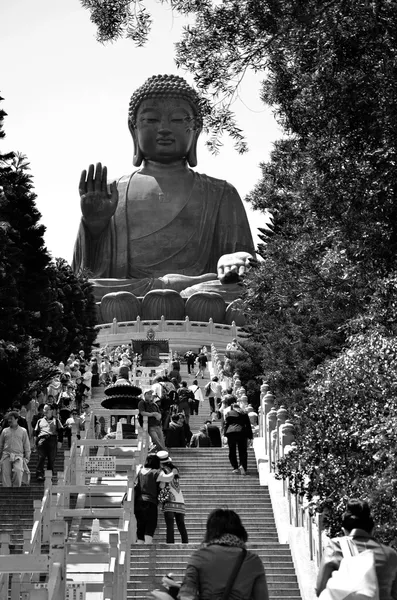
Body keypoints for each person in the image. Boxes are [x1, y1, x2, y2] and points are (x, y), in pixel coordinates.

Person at [72, 74, 255, 305]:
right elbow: (84, 274)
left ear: (196, 130)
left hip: (198, 292)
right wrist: (94, 226)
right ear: (133, 129)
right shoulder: (111, 192)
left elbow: (246, 271)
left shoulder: (221, 193)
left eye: (178, 120)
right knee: (85, 291)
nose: (165, 129)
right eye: (151, 120)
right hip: (128, 295)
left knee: (238, 291)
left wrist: (236, 259)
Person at [178, 508, 268, 600]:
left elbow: (186, 596)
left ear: (210, 531)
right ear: (240, 531)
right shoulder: (253, 561)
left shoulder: (199, 557)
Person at [316, 499, 397, 599]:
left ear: (344, 530)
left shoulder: (335, 547)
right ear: (372, 529)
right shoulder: (391, 555)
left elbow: (320, 589)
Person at [135, 453, 174, 544]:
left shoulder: (140, 471)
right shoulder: (155, 472)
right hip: (150, 503)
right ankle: (148, 544)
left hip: (138, 503)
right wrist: (173, 472)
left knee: (141, 525)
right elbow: (168, 478)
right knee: (150, 524)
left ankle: (140, 545)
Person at [157, 451, 188, 544]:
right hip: (180, 500)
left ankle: (170, 543)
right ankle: (185, 543)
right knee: (181, 525)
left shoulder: (163, 471)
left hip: (170, 499)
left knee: (170, 525)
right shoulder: (175, 470)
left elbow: (162, 485)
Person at [0, 411, 31, 487]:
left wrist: (27, 456)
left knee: (18, 471)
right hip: (6, 455)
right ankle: (7, 491)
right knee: (5, 474)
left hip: (18, 456)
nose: (9, 421)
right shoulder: (5, 431)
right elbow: (0, 444)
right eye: (8, 419)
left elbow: (26, 444)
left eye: (11, 419)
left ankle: (16, 489)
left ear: (17, 419)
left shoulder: (23, 431)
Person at [33, 404, 64, 481]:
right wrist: (35, 442)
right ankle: (39, 474)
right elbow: (36, 432)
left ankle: (49, 475)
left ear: (52, 410)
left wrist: (60, 441)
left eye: (47, 409)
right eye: (44, 409)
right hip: (42, 440)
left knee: (51, 459)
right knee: (41, 457)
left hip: (52, 440)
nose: (45, 411)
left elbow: (60, 431)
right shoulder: (39, 421)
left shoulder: (56, 420)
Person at [224, 403, 253, 475]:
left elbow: (226, 424)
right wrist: (250, 436)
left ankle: (235, 467)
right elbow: (248, 425)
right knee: (243, 451)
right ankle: (243, 466)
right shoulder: (244, 413)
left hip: (231, 433)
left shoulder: (229, 413)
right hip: (242, 432)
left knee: (232, 451)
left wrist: (225, 434)